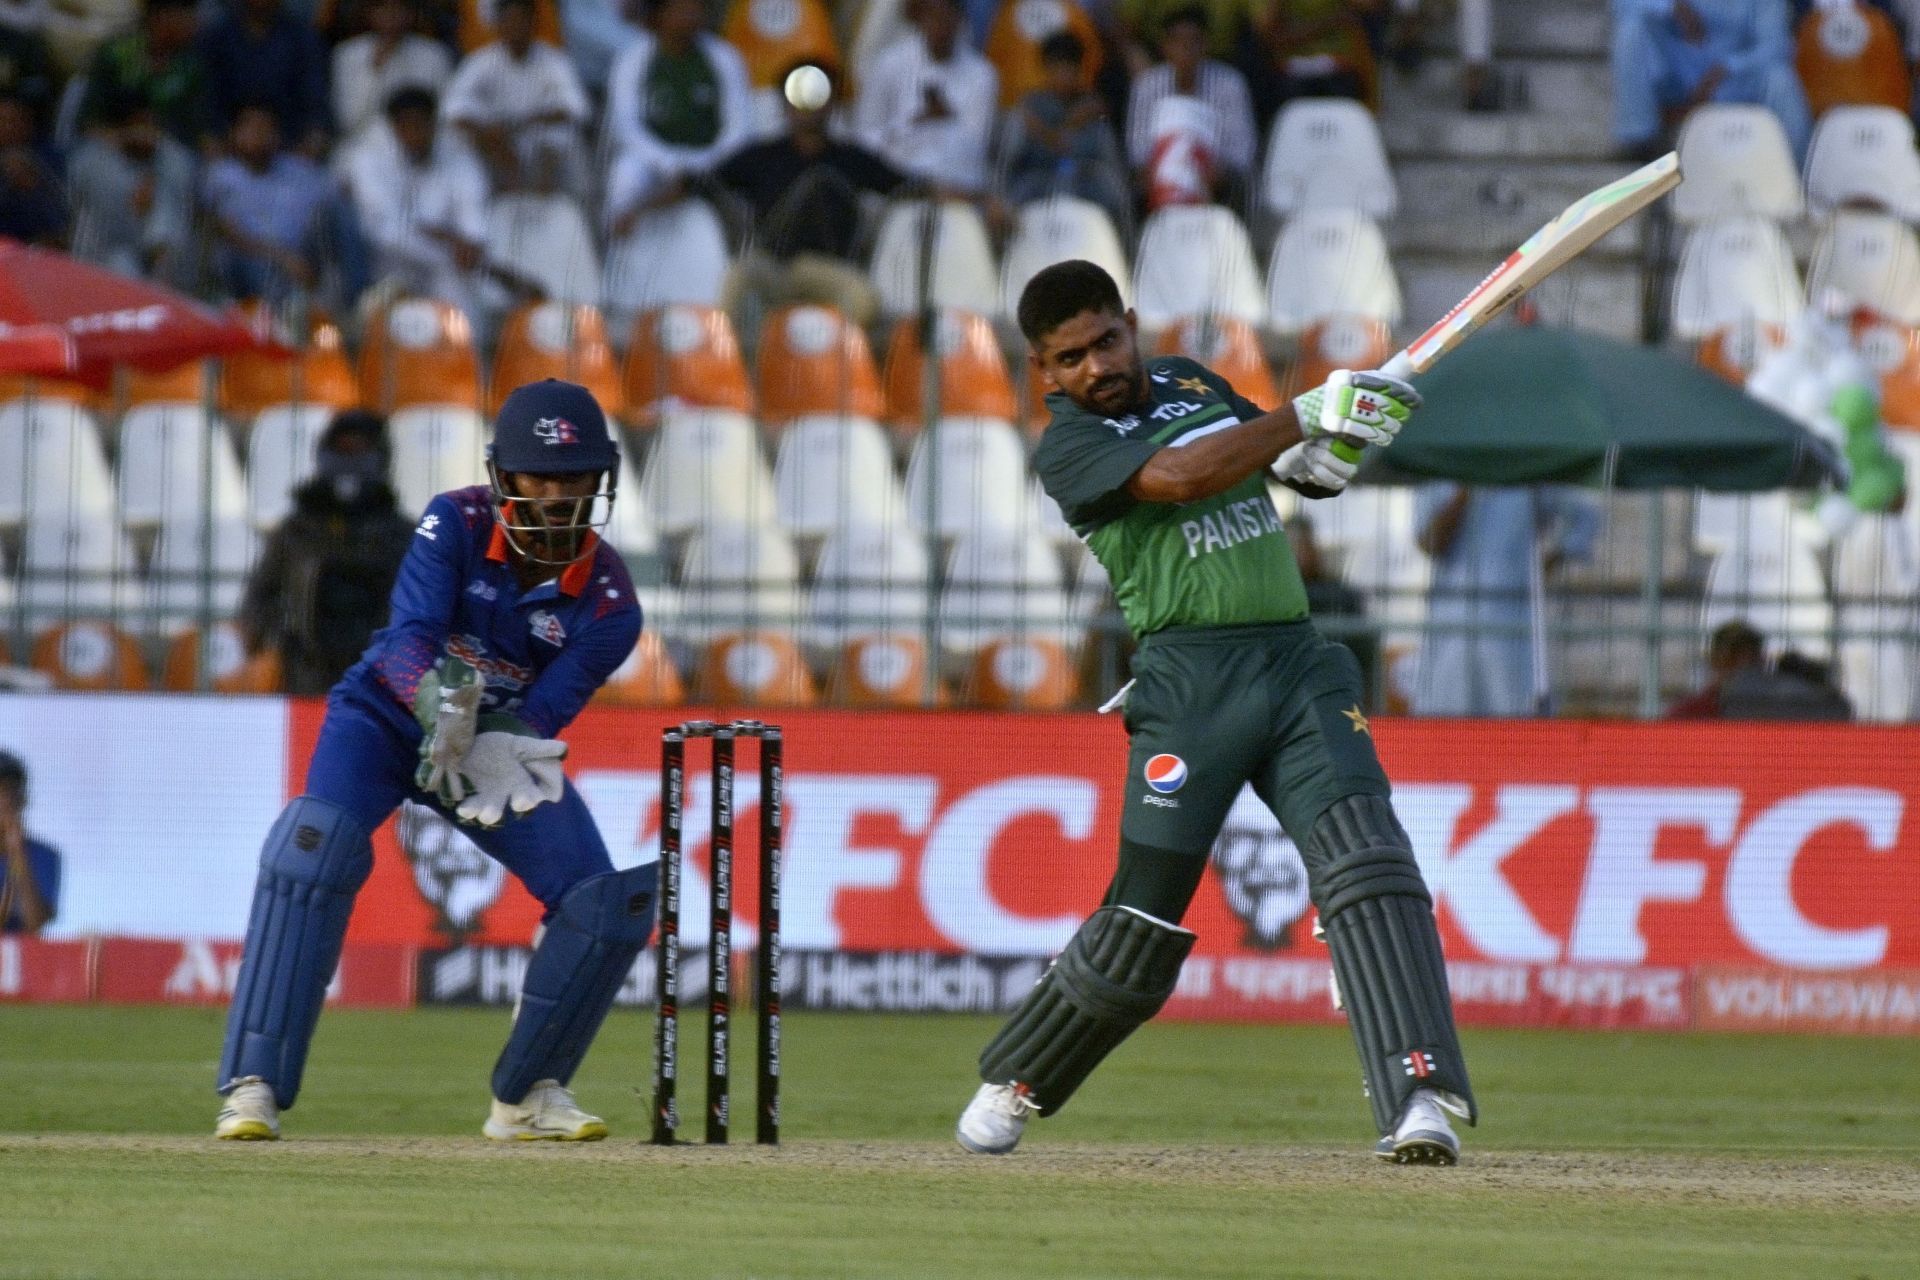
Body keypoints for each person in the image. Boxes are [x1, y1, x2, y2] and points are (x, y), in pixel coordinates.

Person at [953, 259, 1476, 1166]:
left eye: (1105, 342)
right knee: (1143, 919)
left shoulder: (1193, 379)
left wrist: (1336, 448)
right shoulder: (1069, 449)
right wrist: (1312, 409)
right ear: (1043, 371)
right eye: (1068, 359)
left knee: (1370, 861)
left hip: (1296, 661)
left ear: (1131, 321)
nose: (1094, 369)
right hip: (1191, 686)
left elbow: (1283, 469)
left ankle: (1416, 1096)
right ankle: (1018, 1079)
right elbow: (1189, 476)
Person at [215, 380, 650, 1143]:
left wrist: (490, 736)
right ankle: (253, 1088)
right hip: (385, 719)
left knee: (599, 903)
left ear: (600, 480)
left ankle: (527, 1097)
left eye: (572, 478)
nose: (555, 496)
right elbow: (411, 636)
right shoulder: (453, 520)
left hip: (491, 747)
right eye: (538, 478)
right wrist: (434, 706)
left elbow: (544, 713)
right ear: (503, 476)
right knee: (311, 855)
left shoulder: (611, 604)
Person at [713, 61, 905, 329]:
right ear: (784, 103)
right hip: (773, 264)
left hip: (827, 268)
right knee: (737, 278)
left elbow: (906, 186)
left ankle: (828, 363)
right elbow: (709, 182)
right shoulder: (762, 156)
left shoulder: (851, 158)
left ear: (831, 103)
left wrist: (952, 193)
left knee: (864, 299)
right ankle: (725, 364)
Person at [239, 411, 416, 697]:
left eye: (361, 452)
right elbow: (258, 599)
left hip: (379, 680)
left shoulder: (402, 536)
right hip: (306, 678)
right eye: (342, 451)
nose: (350, 462)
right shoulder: (295, 532)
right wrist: (281, 639)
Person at [1411, 483, 1602, 718]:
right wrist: (1466, 488)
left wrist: (1549, 563)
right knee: (1446, 718)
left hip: (1510, 625)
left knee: (1512, 718)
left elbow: (1586, 515)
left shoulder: (1526, 474)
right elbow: (1429, 543)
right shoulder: (1439, 472)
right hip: (1451, 624)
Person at [603, 0, 752, 234]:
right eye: (681, 9)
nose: (690, 16)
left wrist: (704, 164)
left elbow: (738, 127)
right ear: (659, 15)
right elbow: (627, 126)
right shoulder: (633, 58)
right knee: (625, 177)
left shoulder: (724, 57)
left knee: (745, 185)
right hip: (655, 162)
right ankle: (621, 256)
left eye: (696, 8)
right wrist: (670, 163)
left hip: (712, 160)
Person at [343, 87, 492, 318]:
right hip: (385, 271)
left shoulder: (460, 159)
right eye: (407, 125)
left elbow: (473, 229)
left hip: (446, 270)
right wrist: (449, 243)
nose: (416, 132)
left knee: (459, 300)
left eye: (422, 124)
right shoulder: (368, 160)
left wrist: (462, 245)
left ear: (434, 124)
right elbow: (387, 231)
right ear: (394, 127)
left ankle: (466, 352)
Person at [1611, 0, 1812, 163]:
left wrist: (1727, 68)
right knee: (1632, 29)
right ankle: (1638, 139)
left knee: (1779, 78)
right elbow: (1623, 5)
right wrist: (1673, 7)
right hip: (1676, 74)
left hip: (1733, 80)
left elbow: (1776, 46)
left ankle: (1798, 176)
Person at [202, 102, 363, 303]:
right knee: (241, 259)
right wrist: (283, 258)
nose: (258, 135)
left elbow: (339, 194)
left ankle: (360, 301)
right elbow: (223, 229)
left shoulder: (297, 169)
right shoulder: (221, 174)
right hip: (252, 260)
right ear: (234, 133)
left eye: (265, 128)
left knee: (341, 211)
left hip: (302, 257)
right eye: (251, 128)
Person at [442, 0, 591, 194]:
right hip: (498, 146)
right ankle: (483, 203)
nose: (515, 27)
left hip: (539, 145)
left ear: (533, 23)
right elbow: (452, 109)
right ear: (498, 24)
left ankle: (547, 199)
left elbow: (578, 108)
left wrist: (527, 122)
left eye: (521, 20)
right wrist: (489, 132)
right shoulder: (481, 61)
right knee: (459, 134)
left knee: (561, 134)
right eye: (509, 20)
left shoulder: (553, 60)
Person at [851, 0, 998, 196]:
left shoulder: (982, 74)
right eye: (934, 19)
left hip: (956, 187)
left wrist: (947, 118)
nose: (940, 28)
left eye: (947, 20)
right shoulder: (889, 63)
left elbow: (977, 144)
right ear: (920, 20)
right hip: (896, 182)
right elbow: (866, 135)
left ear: (960, 22)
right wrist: (913, 123)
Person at [1125, 4, 1257, 209]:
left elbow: (1242, 148)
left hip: (1216, 180)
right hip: (1160, 178)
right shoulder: (1147, 85)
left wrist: (1216, 169)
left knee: (1238, 186)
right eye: (1178, 41)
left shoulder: (1230, 83)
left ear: (1206, 44)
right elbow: (1137, 146)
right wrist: (1159, 168)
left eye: (1194, 41)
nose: (1186, 48)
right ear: (1165, 46)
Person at [1001, 31, 1130, 227]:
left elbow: (1112, 169)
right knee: (1013, 197)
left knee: (1113, 194)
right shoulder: (1029, 109)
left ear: (1079, 70)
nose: (1064, 76)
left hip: (1086, 190)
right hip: (1037, 187)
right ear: (1046, 69)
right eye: (1057, 68)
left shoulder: (1094, 109)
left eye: (1069, 68)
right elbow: (1007, 167)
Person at [66, 95, 198, 286]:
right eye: (137, 125)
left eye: (150, 125)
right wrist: (136, 203)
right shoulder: (91, 160)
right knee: (124, 263)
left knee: (166, 215)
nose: (145, 132)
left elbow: (182, 170)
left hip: (157, 257)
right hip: (103, 252)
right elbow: (108, 219)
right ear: (116, 129)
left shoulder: (169, 156)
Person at [197, 0, 333, 156]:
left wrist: (312, 143)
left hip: (291, 148)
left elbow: (315, 99)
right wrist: (217, 140)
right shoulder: (216, 38)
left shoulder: (304, 38)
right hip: (229, 149)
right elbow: (207, 100)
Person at [79, 0, 208, 146]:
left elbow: (199, 130)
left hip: (164, 148)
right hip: (110, 144)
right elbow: (89, 123)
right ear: (162, 16)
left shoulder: (191, 66)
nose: (195, 22)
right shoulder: (115, 55)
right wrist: (126, 136)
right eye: (186, 13)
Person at [331, 0, 453, 142]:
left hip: (421, 145)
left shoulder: (434, 55)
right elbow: (347, 120)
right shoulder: (347, 54)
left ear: (411, 13)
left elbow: (445, 116)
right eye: (383, 8)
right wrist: (375, 71)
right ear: (369, 13)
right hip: (363, 145)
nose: (392, 15)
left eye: (398, 8)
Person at [0, 749, 61, 936]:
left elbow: (34, 923)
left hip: (20, 960)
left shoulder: (44, 856)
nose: (6, 801)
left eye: (9, 792)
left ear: (22, 799)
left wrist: (17, 855)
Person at [1666, 617, 1764, 718]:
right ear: (1715, 660)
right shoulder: (1689, 711)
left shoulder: (1687, 710)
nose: (1742, 666)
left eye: (1750, 660)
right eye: (1732, 658)